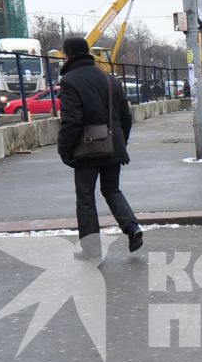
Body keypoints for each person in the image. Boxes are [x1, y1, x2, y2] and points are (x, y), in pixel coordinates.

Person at [57, 34, 143, 258]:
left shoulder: (69, 81)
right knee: (112, 189)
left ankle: (91, 248)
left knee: (85, 198)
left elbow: (72, 121)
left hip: (86, 151)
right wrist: (119, 143)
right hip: (113, 146)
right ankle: (133, 228)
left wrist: (64, 149)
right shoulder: (110, 80)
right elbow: (126, 116)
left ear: (68, 55)